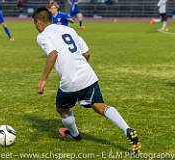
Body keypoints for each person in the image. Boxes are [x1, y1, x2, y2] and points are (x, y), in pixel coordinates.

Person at [33, 7, 141, 153]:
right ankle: (127, 129)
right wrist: (78, 66)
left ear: (39, 22)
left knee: (62, 108)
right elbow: (87, 53)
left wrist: (43, 80)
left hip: (70, 80)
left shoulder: (43, 36)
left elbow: (53, 54)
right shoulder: (68, 30)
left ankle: (75, 135)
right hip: (87, 74)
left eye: (35, 24)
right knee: (99, 106)